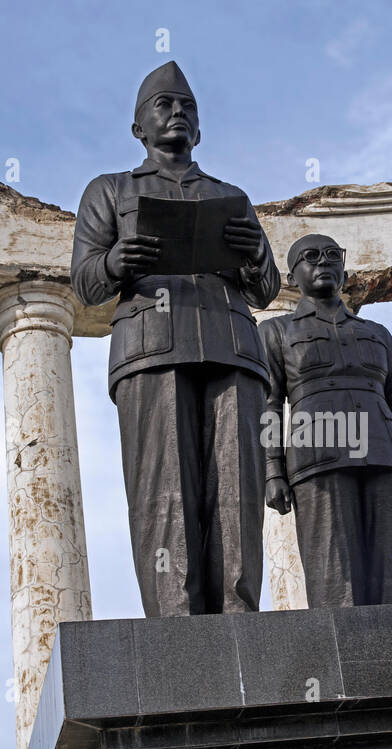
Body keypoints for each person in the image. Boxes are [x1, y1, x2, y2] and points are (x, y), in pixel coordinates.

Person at [71, 61, 280, 616]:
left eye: (187, 105)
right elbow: (86, 283)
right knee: (164, 492)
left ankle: (240, 618)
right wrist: (116, 260)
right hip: (152, 350)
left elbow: (266, 289)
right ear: (138, 128)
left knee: (237, 493)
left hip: (232, 347)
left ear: (200, 128)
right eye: (163, 105)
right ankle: (175, 623)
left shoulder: (229, 196)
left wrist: (254, 251)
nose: (177, 112)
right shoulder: (110, 191)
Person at [260, 234, 392, 607]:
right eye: (310, 256)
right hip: (316, 458)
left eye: (332, 255)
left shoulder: (378, 334)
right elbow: (268, 406)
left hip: (385, 456)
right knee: (333, 574)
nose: (323, 262)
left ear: (345, 270)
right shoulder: (275, 332)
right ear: (291, 277)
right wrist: (272, 472)